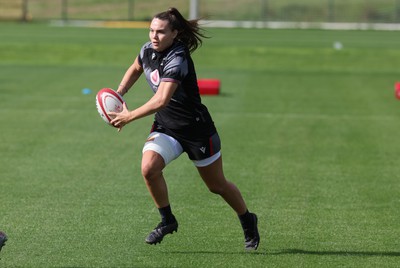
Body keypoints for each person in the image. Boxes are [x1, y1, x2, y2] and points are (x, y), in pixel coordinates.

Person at [109, 7, 260, 250]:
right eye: (151, 30)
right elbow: (136, 68)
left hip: (196, 130)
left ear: (175, 34)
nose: (154, 37)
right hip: (166, 127)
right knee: (148, 168)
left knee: (217, 185)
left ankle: (247, 218)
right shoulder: (147, 50)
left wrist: (129, 116)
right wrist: (119, 93)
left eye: (160, 32)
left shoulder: (177, 58)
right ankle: (167, 220)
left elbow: (161, 100)